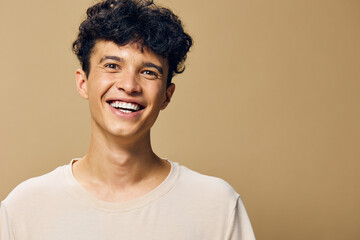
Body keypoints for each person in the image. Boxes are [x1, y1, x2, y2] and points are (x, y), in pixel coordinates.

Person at [0, 0, 255, 239]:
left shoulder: (217, 205)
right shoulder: (23, 209)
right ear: (83, 82)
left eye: (148, 72)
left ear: (167, 96)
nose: (129, 85)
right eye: (112, 66)